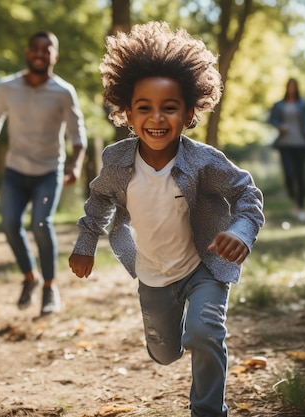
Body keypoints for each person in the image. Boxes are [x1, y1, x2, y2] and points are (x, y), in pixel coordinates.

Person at [68, 21, 264, 417]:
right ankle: (167, 340)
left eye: (169, 107)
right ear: (126, 112)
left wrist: (240, 231)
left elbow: (248, 194)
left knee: (204, 332)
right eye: (144, 108)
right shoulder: (117, 162)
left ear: (189, 111)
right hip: (153, 273)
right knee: (164, 353)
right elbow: (100, 200)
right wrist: (85, 243)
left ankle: (208, 411)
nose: (157, 118)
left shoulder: (203, 161)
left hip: (203, 266)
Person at [0, 31, 87, 315]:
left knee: (41, 224)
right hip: (15, 170)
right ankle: (30, 277)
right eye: (36, 48)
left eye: (47, 49)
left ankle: (50, 287)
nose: (40, 53)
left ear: (55, 56)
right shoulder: (7, 87)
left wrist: (75, 164)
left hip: (49, 171)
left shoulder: (64, 92)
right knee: (10, 224)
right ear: (28, 53)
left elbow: (78, 134)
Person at [268, 77, 305, 222]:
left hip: (301, 144)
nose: (291, 89)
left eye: (294, 86)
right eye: (290, 86)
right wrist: (279, 126)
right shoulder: (279, 105)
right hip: (285, 144)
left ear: (297, 88)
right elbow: (272, 119)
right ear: (287, 87)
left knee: (300, 175)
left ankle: (301, 207)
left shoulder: (304, 104)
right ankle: (293, 199)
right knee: (289, 175)